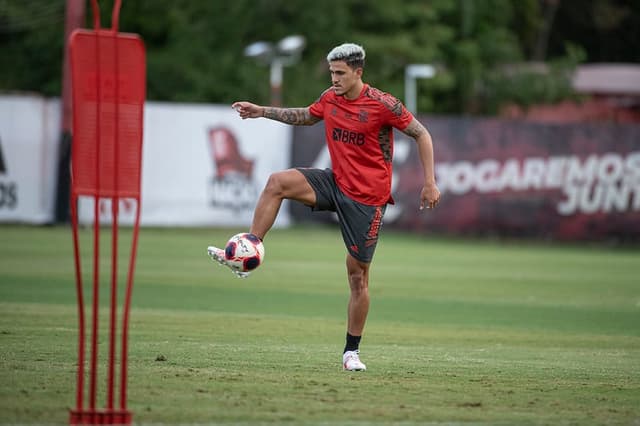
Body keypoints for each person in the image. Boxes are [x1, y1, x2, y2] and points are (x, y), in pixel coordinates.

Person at [208, 43, 440, 371]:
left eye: (340, 73)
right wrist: (261, 111)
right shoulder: (330, 98)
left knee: (357, 277)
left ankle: (351, 352)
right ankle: (250, 248)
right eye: (332, 72)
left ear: (359, 72)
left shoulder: (382, 104)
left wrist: (430, 181)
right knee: (277, 182)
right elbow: (305, 116)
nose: (334, 79)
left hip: (367, 200)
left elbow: (422, 134)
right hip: (335, 182)